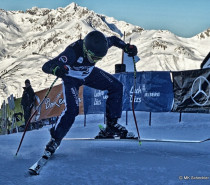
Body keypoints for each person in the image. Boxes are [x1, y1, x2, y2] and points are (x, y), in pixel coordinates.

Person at [42, 30, 137, 154]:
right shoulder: (72, 52)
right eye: (93, 57)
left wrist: (126, 47)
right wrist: (56, 69)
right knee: (72, 110)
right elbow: (46, 66)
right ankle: (55, 139)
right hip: (72, 79)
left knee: (117, 87)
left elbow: (113, 40)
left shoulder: (100, 44)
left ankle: (111, 126)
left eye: (99, 59)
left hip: (89, 74)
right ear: (86, 50)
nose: (94, 60)